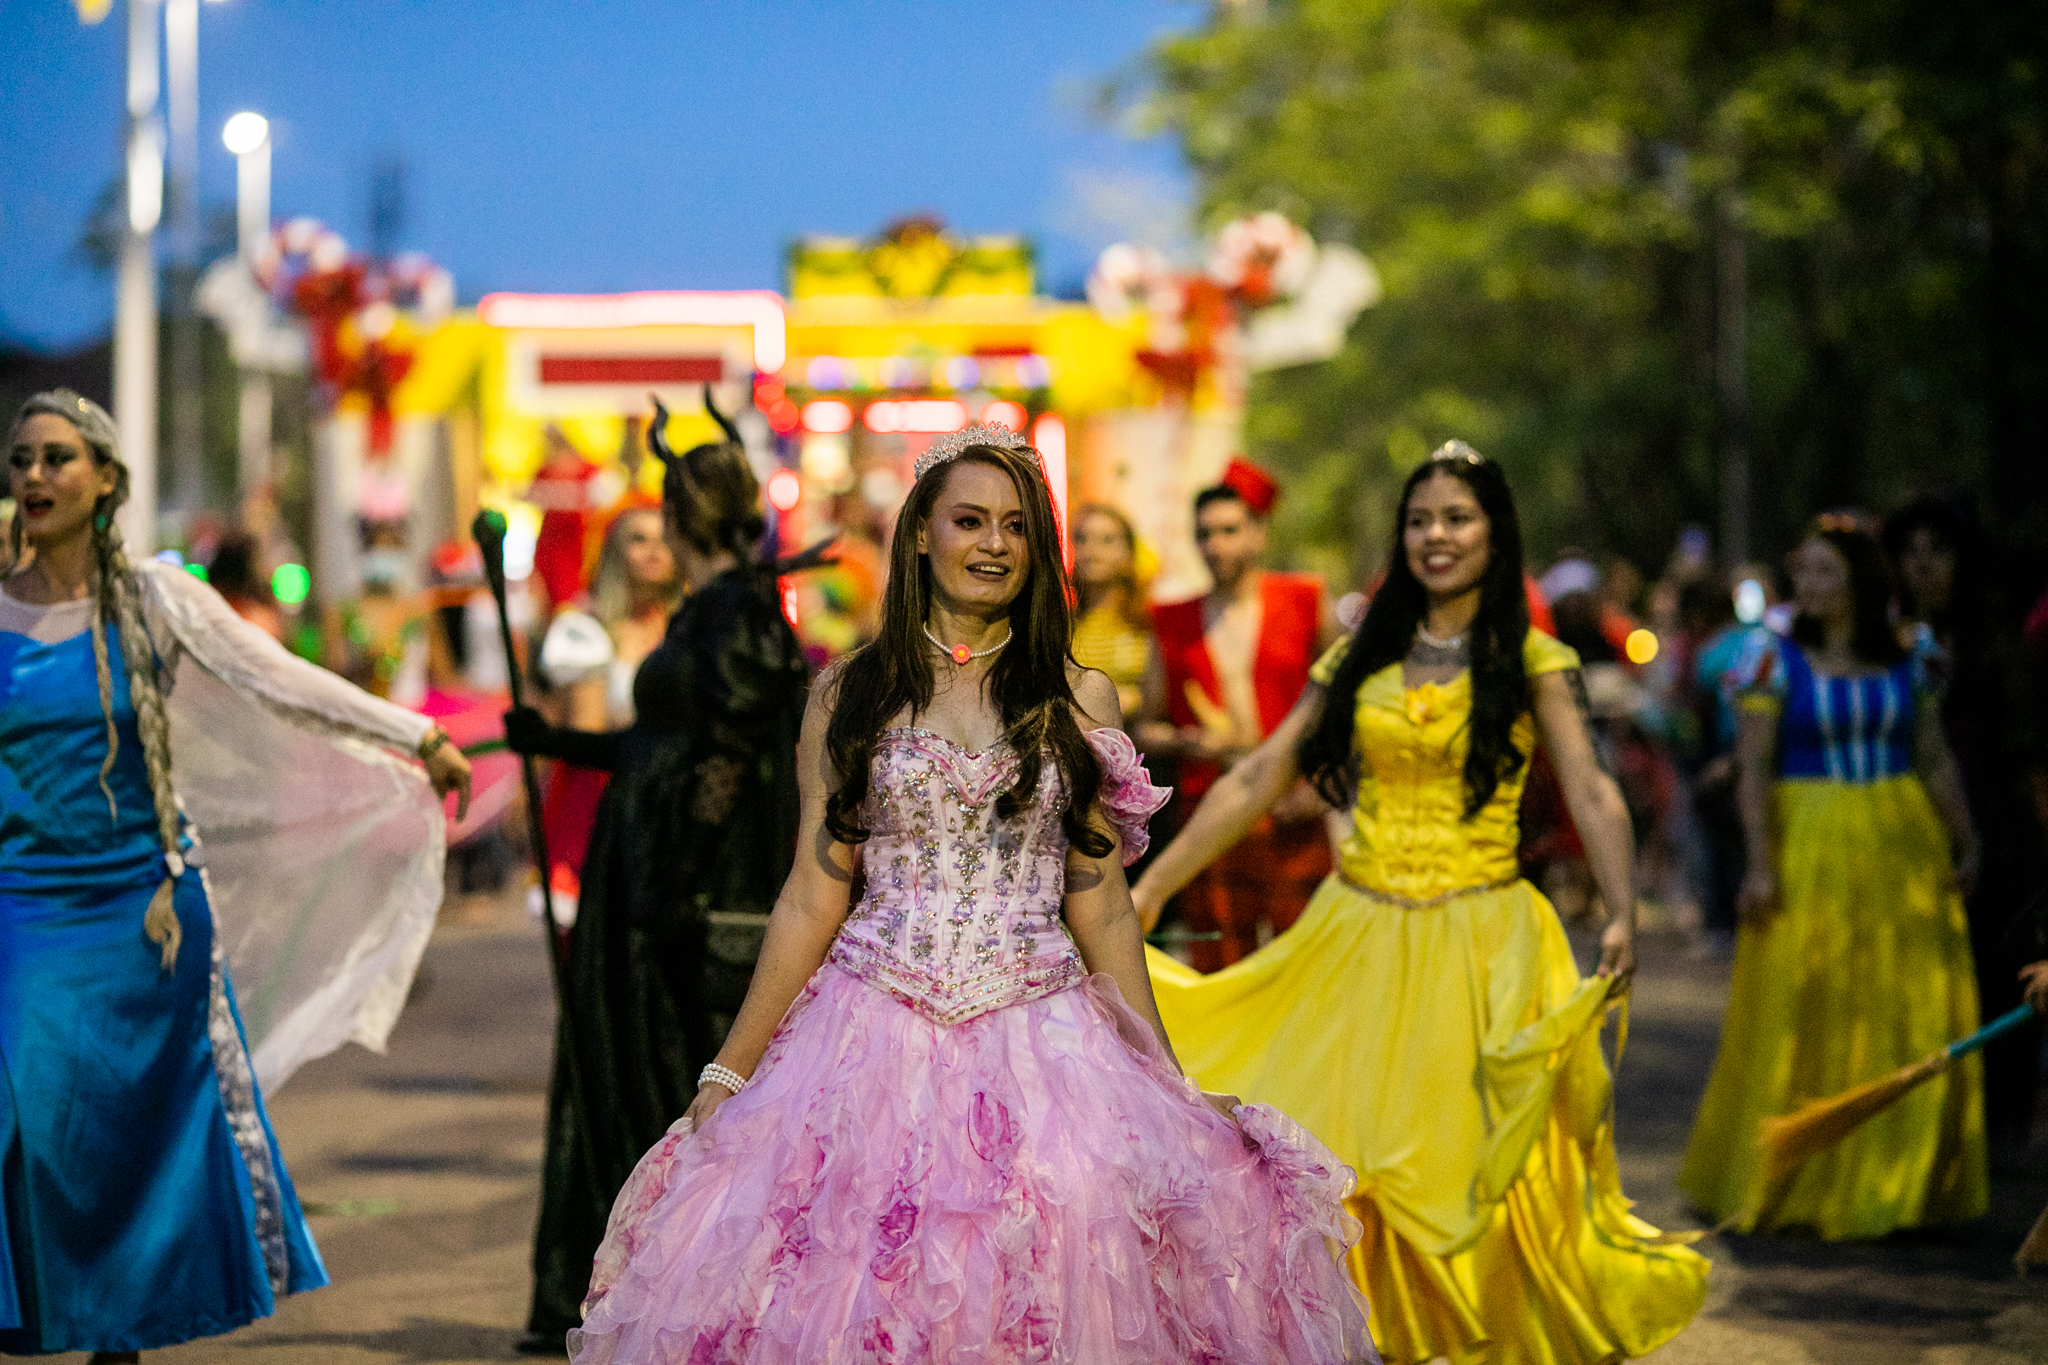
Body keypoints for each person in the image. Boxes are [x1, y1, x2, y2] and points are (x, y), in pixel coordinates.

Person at [566, 425, 1377, 1364]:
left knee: (1052, 1267)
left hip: (1047, 1044)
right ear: (920, 536)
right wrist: (728, 1074)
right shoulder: (848, 695)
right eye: (969, 521)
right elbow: (810, 896)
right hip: (864, 1040)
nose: (992, 544)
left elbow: (1101, 901)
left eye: (1015, 527)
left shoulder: (1080, 696)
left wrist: (1165, 1079)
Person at [1131, 442, 1709, 1365]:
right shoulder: (1361, 655)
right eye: (1421, 520)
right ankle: (1371, 1327)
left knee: (1463, 1151)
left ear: (1493, 532)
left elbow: (1593, 790)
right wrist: (1150, 884)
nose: (1436, 536)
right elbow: (1256, 779)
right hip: (1360, 927)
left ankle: (1471, 1323)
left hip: (1486, 937)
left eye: (1458, 518)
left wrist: (1622, 911)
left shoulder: (1533, 656)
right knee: (1341, 1135)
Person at [0, 391, 471, 1358]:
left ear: (105, 480)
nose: (36, 476)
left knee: (120, 1140)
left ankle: (114, 1333)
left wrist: (415, 732)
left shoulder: (157, 599)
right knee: (20, 1111)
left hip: (141, 909)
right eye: (21, 460)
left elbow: (277, 677)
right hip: (21, 906)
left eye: (57, 458)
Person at [504, 412, 812, 1350]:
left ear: (684, 522)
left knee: (675, 1083)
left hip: (692, 891)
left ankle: (685, 1300)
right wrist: (559, 742)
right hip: (645, 874)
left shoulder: (740, 614)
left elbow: (725, 753)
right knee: (622, 1071)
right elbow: (663, 745)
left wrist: (676, 880)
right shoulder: (708, 610)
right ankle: (617, 1290)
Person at [1679, 517, 1987, 1237]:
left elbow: (1933, 756)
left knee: (1898, 1005)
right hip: (1807, 847)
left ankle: (1900, 1177)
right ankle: (1798, 1173)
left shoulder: (1913, 658)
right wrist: (1757, 863)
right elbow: (1753, 768)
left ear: (1862, 580)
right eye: (1804, 571)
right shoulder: (1770, 657)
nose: (1811, 585)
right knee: (1804, 1003)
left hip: (1900, 848)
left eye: (1827, 571)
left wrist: (1965, 838)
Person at [1886, 496, 2045, 1164]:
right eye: (1911, 554)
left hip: (1994, 822)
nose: (1922, 568)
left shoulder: (1995, 642)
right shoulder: (1886, 639)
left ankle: (2001, 1120)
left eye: (1937, 553)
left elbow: (2026, 747)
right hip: (1906, 826)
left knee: (1995, 967)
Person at [1138, 458, 1340, 969]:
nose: (1215, 546)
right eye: (1205, 533)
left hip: (1293, 803)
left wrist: (1323, 785)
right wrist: (1187, 743)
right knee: (1221, 963)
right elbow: (1146, 724)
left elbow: (1347, 704)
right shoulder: (1172, 619)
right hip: (1212, 812)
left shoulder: (1305, 600)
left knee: (1309, 962)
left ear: (1258, 534)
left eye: (1229, 531)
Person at [534, 506, 684, 924]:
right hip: (604, 801)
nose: (654, 550)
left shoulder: (688, 627)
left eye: (663, 539)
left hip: (676, 807)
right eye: (638, 539)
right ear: (614, 553)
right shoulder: (585, 630)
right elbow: (586, 734)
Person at [1069, 502, 1154, 722]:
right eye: (1082, 539)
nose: (1091, 550)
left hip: (1135, 743)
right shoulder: (1059, 625)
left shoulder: (1148, 622)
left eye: (1106, 540)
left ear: (1128, 552)